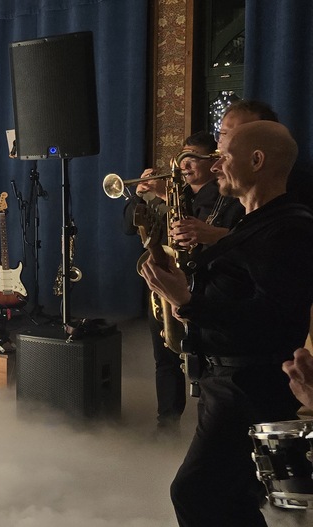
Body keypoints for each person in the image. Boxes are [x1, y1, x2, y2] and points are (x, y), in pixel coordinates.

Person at [140, 120, 313, 526]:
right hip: (228, 382)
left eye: (224, 156)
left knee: (195, 493)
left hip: (247, 386)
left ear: (257, 160)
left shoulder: (288, 228)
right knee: (232, 499)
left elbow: (273, 318)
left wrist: (187, 302)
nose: (215, 166)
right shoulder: (257, 222)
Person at [123, 132, 244, 434]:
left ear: (212, 162)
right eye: (183, 158)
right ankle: (167, 423)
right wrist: (141, 195)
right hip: (167, 283)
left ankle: (208, 425)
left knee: (204, 360)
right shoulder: (177, 192)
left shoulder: (225, 196)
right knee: (165, 355)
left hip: (202, 286)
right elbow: (128, 226)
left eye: (192, 158)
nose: (185, 165)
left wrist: (169, 198)